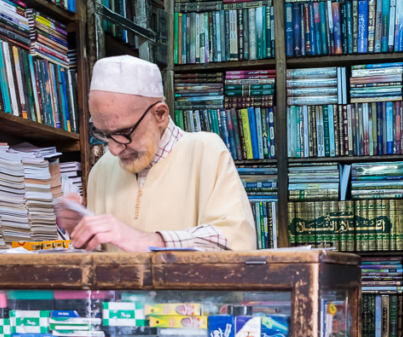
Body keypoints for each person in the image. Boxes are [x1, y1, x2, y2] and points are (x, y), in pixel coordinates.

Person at [56, 55, 256, 252]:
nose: (114, 149)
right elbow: (104, 265)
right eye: (103, 133)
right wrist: (85, 239)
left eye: (124, 132)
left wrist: (149, 241)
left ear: (160, 114)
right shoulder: (102, 169)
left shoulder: (205, 150)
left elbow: (234, 243)